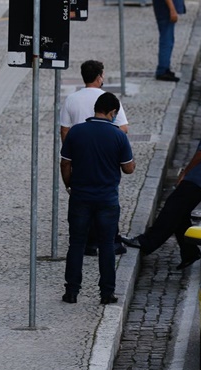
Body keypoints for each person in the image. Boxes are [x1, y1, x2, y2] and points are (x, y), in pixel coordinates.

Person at [122, 89, 201, 269]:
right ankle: (190, 253)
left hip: (198, 179)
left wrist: (185, 172)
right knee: (180, 215)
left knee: (171, 210)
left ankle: (146, 242)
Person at [60, 92, 135, 304]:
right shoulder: (118, 136)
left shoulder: (76, 132)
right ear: (112, 113)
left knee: (76, 243)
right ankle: (106, 293)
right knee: (106, 245)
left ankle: (71, 291)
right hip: (107, 200)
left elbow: (65, 163)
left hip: (80, 197)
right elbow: (128, 168)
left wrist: (69, 185)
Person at [60, 60, 129, 256]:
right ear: (99, 77)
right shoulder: (108, 99)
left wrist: (72, 151)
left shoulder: (71, 99)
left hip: (80, 156)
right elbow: (123, 128)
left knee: (83, 199)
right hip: (106, 155)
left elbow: (64, 130)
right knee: (108, 198)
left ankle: (88, 242)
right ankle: (111, 240)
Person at [153, 0, 186, 82]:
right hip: (165, 8)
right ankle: (163, 69)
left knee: (168, 38)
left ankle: (165, 67)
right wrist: (172, 9)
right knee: (166, 39)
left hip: (163, 7)